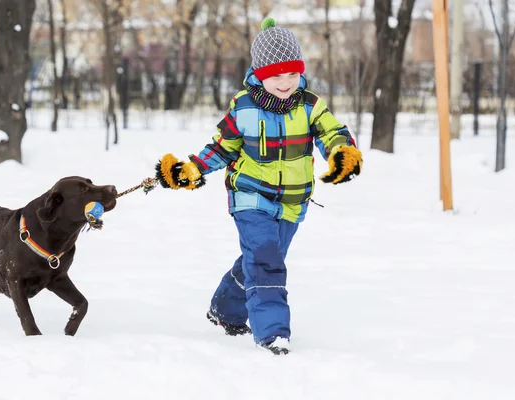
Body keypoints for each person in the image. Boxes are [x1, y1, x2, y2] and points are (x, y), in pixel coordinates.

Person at [154, 18, 362, 355]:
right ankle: (273, 332)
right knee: (267, 261)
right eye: (276, 75)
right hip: (250, 197)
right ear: (260, 73)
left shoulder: (310, 104)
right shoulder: (244, 106)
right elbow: (222, 147)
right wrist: (191, 168)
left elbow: (332, 133)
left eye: (292, 74)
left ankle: (225, 309)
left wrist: (342, 153)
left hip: (293, 202)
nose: (285, 82)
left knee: (260, 258)